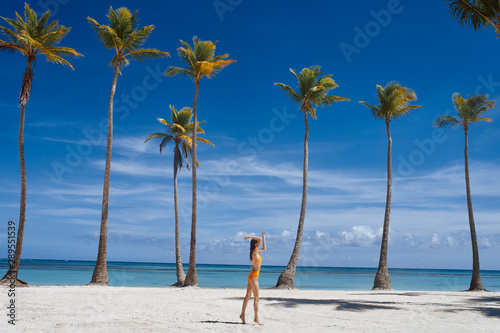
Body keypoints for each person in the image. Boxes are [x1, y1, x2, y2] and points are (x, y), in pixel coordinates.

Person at [240, 232, 266, 325]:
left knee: (248, 296)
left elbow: (264, 248)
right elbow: (258, 239)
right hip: (254, 276)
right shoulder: (255, 252)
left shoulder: (255, 252)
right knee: (256, 298)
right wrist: (249, 237)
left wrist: (263, 237)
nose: (259, 243)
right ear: (255, 244)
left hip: (252, 275)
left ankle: (242, 314)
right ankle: (256, 318)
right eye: (258, 242)